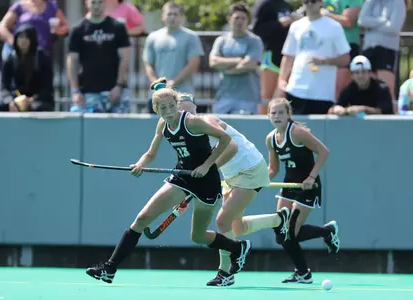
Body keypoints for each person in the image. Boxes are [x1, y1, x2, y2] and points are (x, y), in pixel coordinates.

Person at [85, 79, 252, 284]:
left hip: (206, 180)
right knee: (143, 217)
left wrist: (207, 165)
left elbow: (226, 140)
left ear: (177, 105)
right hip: (182, 176)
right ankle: (109, 269)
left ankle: (237, 248)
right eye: (162, 108)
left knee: (198, 236)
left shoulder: (192, 122)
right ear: (156, 109)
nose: (168, 111)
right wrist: (139, 164)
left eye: (171, 106)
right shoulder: (162, 124)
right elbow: (150, 154)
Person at [151, 77, 291, 286]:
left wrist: (208, 170)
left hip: (249, 169)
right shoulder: (181, 127)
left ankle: (225, 273)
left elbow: (231, 146)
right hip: (231, 174)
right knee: (237, 227)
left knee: (222, 221)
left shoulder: (203, 122)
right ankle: (279, 220)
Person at [266, 97, 340, 283]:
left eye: (281, 112)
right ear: (268, 115)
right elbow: (273, 169)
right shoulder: (271, 139)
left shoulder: (298, 133)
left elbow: (324, 152)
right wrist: (256, 181)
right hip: (289, 185)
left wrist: (311, 177)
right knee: (281, 232)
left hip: (308, 186)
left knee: (291, 231)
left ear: (289, 114)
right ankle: (304, 271)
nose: (277, 116)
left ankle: (326, 234)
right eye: (273, 113)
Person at [278, 0, 350, 114]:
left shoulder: (334, 27)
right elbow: (288, 56)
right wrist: (282, 81)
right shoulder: (296, 26)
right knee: (293, 130)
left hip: (322, 94)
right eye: (306, 1)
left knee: (317, 131)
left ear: (321, 2)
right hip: (295, 90)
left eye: (313, 1)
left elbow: (346, 59)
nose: (310, 4)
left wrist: (325, 61)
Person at [67, 0, 131, 113]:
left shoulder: (118, 27)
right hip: (88, 91)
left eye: (100, 2)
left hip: (115, 91)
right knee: (91, 130)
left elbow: (125, 59)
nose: (96, 6)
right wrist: (75, 91)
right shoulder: (77, 30)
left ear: (105, 3)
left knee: (120, 129)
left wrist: (119, 85)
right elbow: (72, 61)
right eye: (93, 2)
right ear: (87, 3)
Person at [0, 24, 54, 112]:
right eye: (20, 37)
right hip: (16, 99)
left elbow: (47, 88)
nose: (23, 40)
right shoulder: (11, 58)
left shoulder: (43, 57)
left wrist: (31, 100)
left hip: (38, 100)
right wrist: (13, 100)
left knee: (37, 108)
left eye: (27, 37)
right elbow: (5, 88)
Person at [358, 0, 407, 110]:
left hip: (387, 49)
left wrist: (371, 25)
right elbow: (361, 20)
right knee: (368, 88)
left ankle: (391, 119)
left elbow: (394, 28)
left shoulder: (398, 2)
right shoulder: (370, 2)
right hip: (369, 48)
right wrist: (383, 21)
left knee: (386, 88)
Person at [250, 0, 296, 114]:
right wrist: (279, 23)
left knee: (283, 97)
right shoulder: (264, 4)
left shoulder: (287, 5)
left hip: (287, 57)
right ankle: (261, 125)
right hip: (270, 56)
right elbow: (257, 29)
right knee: (266, 97)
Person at [329, 55, 393, 115]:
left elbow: (386, 111)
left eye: (364, 72)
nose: (360, 76)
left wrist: (362, 109)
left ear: (370, 73)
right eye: (357, 72)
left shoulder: (381, 88)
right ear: (352, 76)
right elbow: (332, 110)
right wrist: (336, 109)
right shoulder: (348, 90)